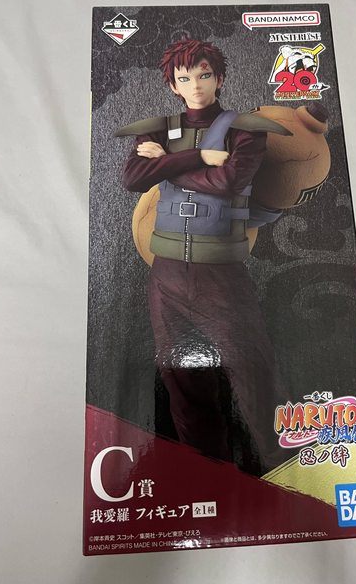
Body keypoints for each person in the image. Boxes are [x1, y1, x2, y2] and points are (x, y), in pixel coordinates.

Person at [120, 39, 288, 473]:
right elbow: (133, 177)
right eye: (184, 78)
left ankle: (280, 465)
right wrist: (197, 157)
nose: (195, 85)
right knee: (181, 378)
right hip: (166, 274)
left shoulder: (245, 129)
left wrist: (167, 163)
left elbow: (227, 183)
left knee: (252, 369)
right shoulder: (159, 129)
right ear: (173, 85)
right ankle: (208, 472)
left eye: (204, 75)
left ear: (220, 78)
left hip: (221, 274)